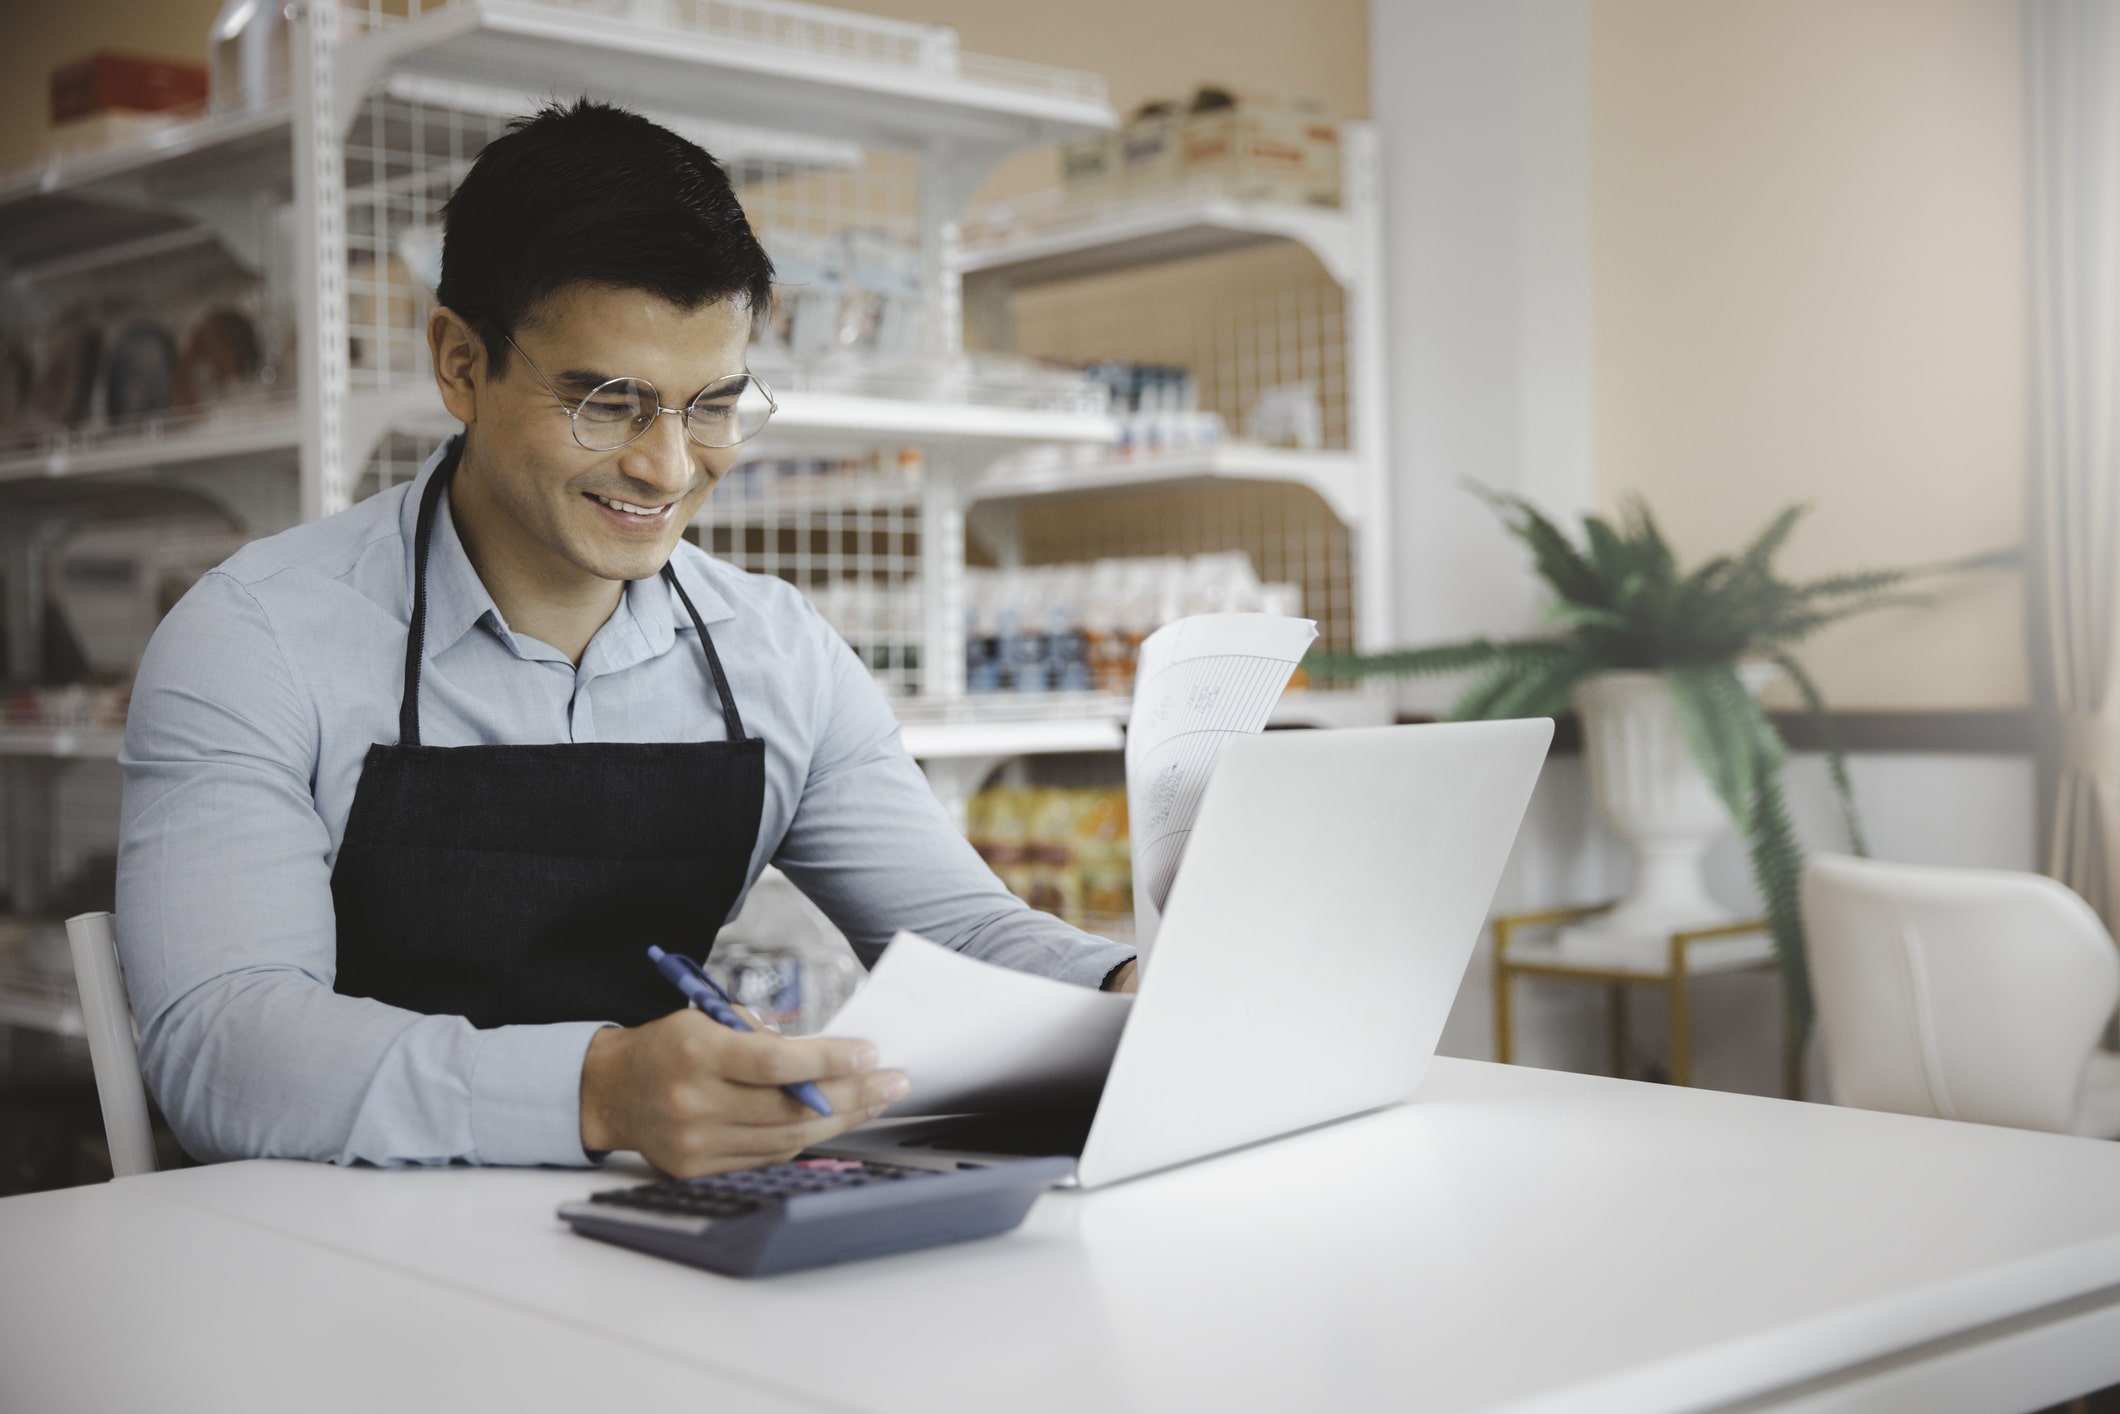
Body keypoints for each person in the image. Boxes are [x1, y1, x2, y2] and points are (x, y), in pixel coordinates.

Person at [116, 100, 1137, 1178]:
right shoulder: (257, 638)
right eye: (607, 403)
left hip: (656, 1252)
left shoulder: (775, 654)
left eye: (712, 405)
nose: (666, 467)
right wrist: (598, 1092)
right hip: (321, 1268)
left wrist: (1125, 990)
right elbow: (223, 1047)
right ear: (459, 363)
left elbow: (963, 939)